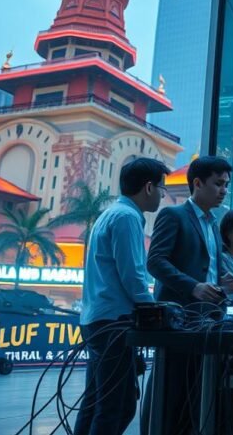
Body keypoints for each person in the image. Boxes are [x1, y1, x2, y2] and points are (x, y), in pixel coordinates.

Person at [74, 157, 169, 435]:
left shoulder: (110, 213)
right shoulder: (127, 218)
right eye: (162, 189)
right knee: (118, 405)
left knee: (95, 402)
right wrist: (156, 310)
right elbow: (133, 276)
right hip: (113, 324)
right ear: (149, 188)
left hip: (98, 321)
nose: (163, 195)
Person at [144, 156, 233, 434]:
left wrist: (221, 281)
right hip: (179, 319)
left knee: (199, 394)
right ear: (197, 183)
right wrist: (193, 286)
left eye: (226, 185)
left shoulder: (212, 223)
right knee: (170, 392)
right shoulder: (174, 215)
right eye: (218, 184)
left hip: (208, 320)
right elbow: (155, 261)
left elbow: (206, 268)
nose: (223, 190)